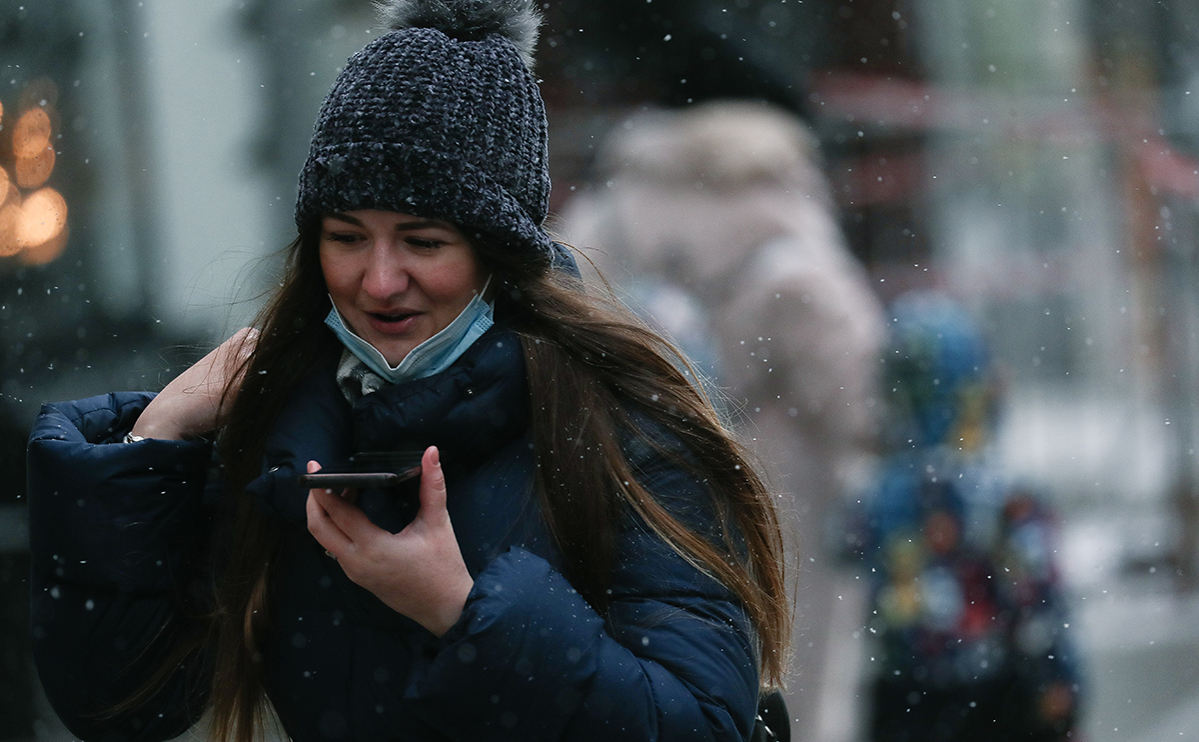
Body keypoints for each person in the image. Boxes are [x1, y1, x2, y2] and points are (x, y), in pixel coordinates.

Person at [25, 2, 790, 742]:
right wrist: (154, 439)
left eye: (422, 242)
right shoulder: (280, 432)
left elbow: (697, 722)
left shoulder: (622, 428)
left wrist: (460, 611)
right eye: (347, 236)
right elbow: (120, 701)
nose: (379, 280)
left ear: (499, 256)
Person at [558, 100, 886, 742]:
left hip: (625, 493)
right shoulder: (781, 216)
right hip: (777, 509)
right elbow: (857, 390)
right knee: (788, 687)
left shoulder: (611, 210)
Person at [838, 291, 1082, 742]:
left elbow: (851, 559)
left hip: (909, 696)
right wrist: (1062, 683)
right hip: (996, 694)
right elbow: (1041, 603)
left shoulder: (880, 491)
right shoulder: (1000, 491)